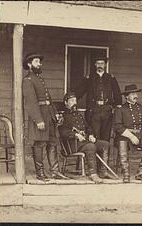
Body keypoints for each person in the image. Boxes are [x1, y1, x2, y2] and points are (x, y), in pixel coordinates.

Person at [22, 52, 68, 181]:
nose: (39, 64)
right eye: (36, 62)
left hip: (49, 117)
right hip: (40, 118)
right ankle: (40, 173)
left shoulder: (40, 79)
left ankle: (55, 172)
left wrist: (56, 114)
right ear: (29, 64)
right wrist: (38, 120)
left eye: (39, 61)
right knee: (39, 144)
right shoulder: (28, 80)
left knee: (52, 143)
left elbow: (49, 101)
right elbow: (30, 102)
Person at [58, 92, 115, 182]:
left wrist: (91, 135)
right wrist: (75, 135)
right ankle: (93, 173)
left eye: (75, 100)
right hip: (72, 144)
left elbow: (88, 128)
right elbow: (62, 132)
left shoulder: (79, 116)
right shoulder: (63, 116)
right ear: (66, 102)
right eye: (72, 100)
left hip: (84, 142)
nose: (75, 102)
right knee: (91, 146)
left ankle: (103, 171)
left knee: (105, 144)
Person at [114, 84, 142, 183]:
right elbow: (118, 126)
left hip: (141, 135)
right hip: (125, 135)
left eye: (136, 93)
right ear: (126, 96)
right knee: (122, 142)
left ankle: (141, 172)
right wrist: (131, 136)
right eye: (133, 93)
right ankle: (126, 173)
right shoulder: (120, 109)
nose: (136, 96)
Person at [75, 56, 122, 142]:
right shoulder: (89, 78)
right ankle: (94, 155)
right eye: (98, 63)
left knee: (106, 136)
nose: (100, 65)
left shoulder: (110, 78)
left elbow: (117, 93)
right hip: (93, 111)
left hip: (107, 110)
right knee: (94, 136)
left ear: (105, 65)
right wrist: (73, 103)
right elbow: (79, 92)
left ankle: (104, 155)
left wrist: (114, 106)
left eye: (102, 63)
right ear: (95, 65)